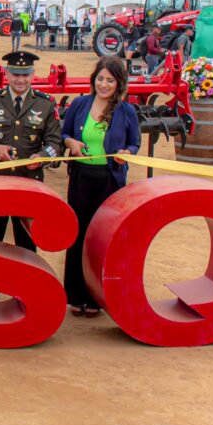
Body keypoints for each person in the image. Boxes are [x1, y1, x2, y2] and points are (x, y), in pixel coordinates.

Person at [0, 50, 61, 301]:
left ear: (33, 75)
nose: (20, 79)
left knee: (26, 244)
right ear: (6, 74)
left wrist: (42, 156)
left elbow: (56, 143)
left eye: (26, 74)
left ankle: (26, 295)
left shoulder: (45, 104)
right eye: (15, 74)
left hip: (28, 186)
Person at [60, 57, 140, 317]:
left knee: (103, 238)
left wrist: (127, 152)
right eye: (100, 78)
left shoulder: (126, 112)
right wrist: (71, 143)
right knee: (79, 235)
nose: (103, 84)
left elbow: (135, 144)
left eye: (110, 80)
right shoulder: (80, 104)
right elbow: (64, 134)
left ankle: (97, 296)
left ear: (118, 84)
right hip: (82, 178)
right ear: (94, 79)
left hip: (110, 180)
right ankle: (76, 294)